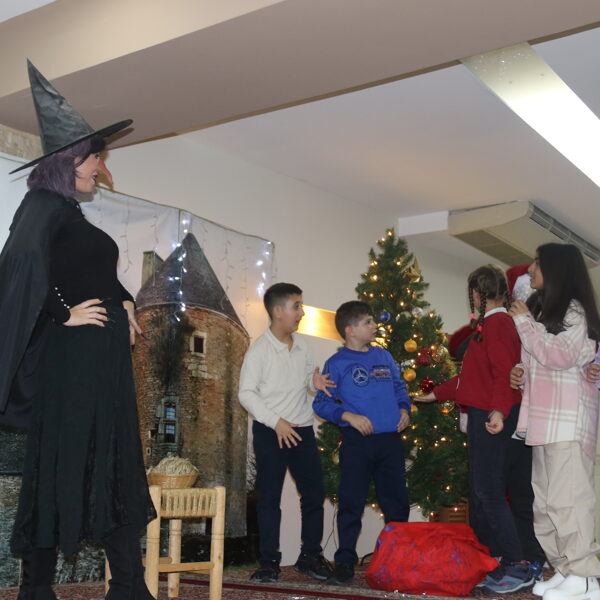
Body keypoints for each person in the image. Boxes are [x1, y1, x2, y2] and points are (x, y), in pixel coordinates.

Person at [0, 61, 155, 600]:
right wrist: (60, 312)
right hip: (74, 360)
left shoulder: (71, 213)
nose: (101, 169)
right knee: (66, 460)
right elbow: (19, 267)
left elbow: (89, 274)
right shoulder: (43, 204)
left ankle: (128, 586)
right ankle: (36, 588)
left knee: (110, 459)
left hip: (103, 361)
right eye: (96, 158)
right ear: (71, 161)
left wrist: (126, 301)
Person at [417, 264, 534, 594]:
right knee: (483, 493)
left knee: (489, 492)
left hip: (491, 415)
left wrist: (498, 411)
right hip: (489, 413)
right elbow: (470, 379)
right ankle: (498, 561)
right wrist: (435, 394)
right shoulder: (490, 326)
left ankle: (517, 564)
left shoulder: (497, 325)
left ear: (475, 294)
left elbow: (504, 373)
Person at [508, 243, 600, 600]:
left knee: (569, 501)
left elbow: (559, 356)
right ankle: (565, 569)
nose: (530, 269)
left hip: (567, 421)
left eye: (537, 262)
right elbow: (543, 361)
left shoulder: (574, 311)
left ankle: (585, 577)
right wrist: (520, 373)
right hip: (544, 423)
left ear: (555, 268)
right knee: (545, 504)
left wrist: (524, 323)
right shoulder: (544, 312)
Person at [238, 282, 335, 583]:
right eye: (297, 306)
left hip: (302, 430)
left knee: (314, 495)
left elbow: (306, 380)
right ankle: (269, 562)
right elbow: (246, 393)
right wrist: (275, 421)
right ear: (278, 311)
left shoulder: (303, 346)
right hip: (271, 431)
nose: (302, 312)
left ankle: (310, 557)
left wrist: (314, 383)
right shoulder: (259, 350)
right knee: (268, 498)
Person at [313, 300, 410, 587]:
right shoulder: (336, 364)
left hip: (389, 441)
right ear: (350, 330)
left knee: (397, 503)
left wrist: (405, 409)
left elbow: (399, 388)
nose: (374, 326)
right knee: (351, 502)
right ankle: (345, 562)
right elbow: (321, 404)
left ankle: (398, 559)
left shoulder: (384, 356)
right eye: (368, 322)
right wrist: (347, 416)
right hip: (357, 443)